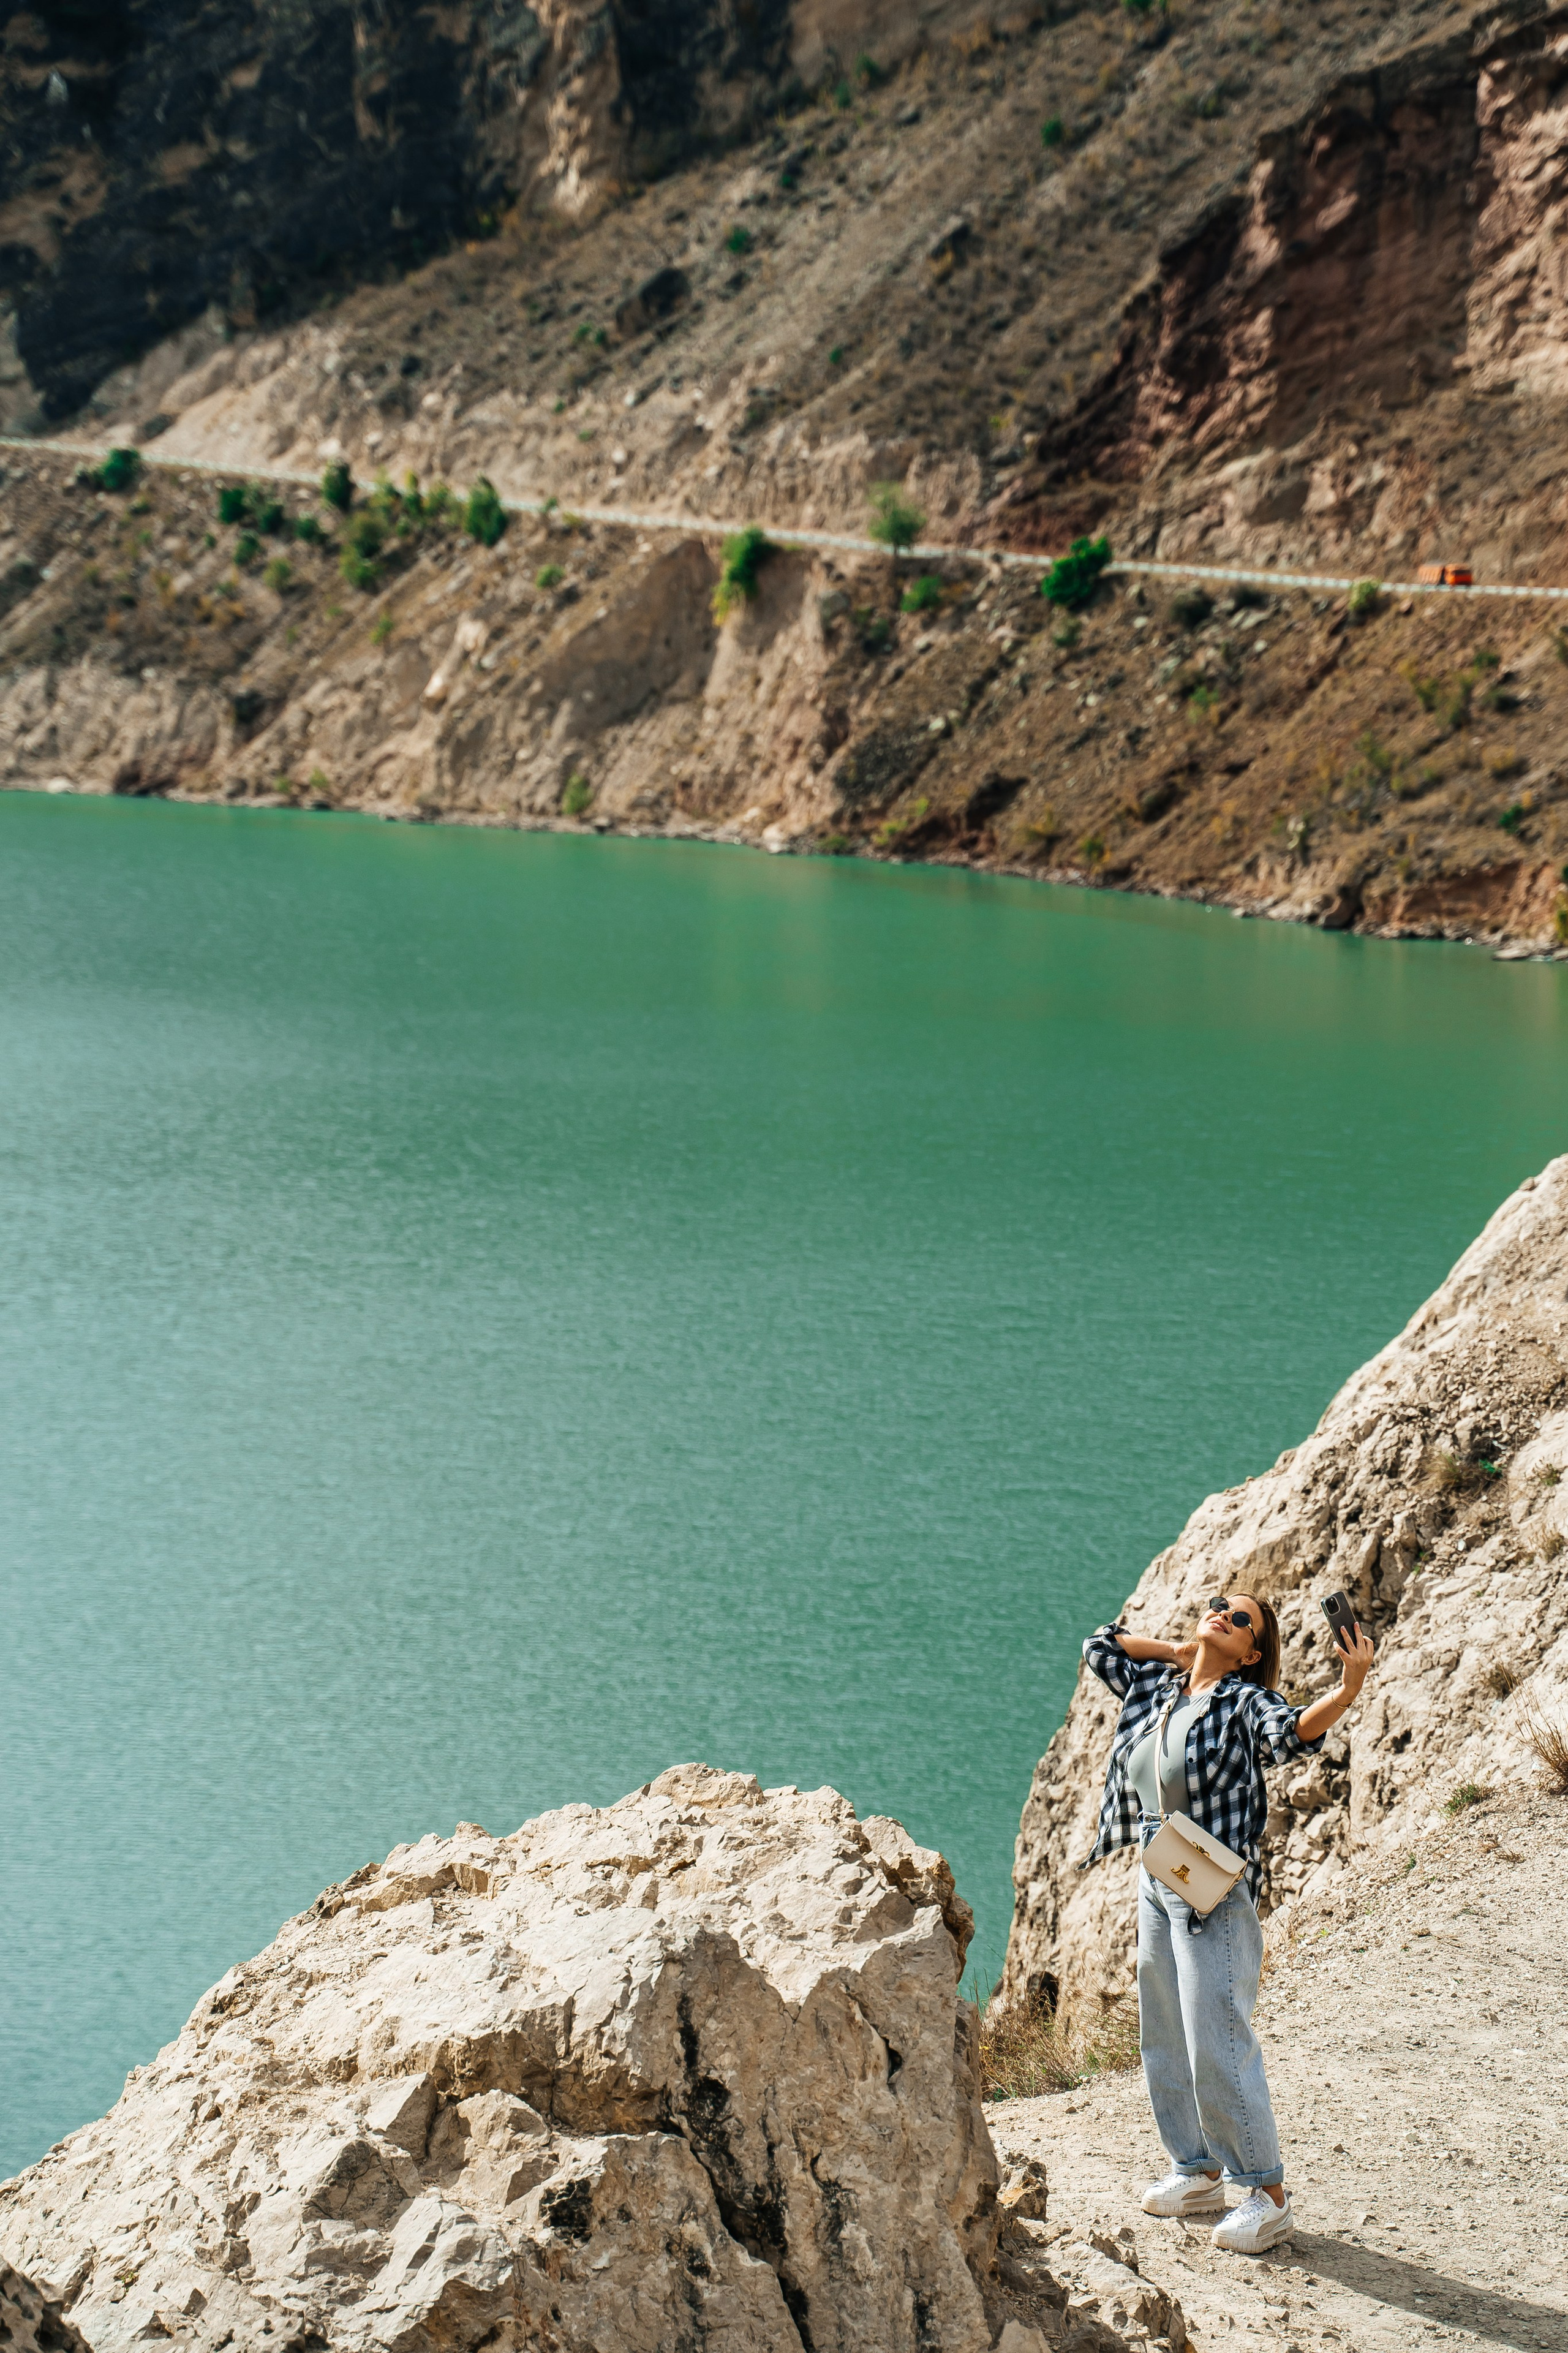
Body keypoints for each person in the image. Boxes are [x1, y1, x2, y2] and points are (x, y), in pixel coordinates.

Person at [1081, 1592, 1374, 2253]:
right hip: (1158, 1865)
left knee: (1216, 2034)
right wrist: (1178, 1650)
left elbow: (1293, 1731)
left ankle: (1267, 2195)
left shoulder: (1243, 1702)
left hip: (1209, 1878)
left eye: (1241, 1620)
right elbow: (1100, 1645)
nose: (1224, 1614)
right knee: (1163, 2029)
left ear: (1250, 1654)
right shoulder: (1162, 1686)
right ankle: (1197, 2170)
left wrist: (1348, 1687)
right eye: (1220, 1605)